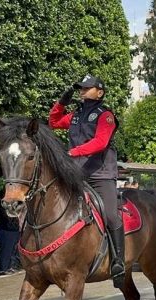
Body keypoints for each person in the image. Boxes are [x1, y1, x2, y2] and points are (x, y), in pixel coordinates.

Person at [49, 74, 124, 288]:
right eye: (80, 88)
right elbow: (53, 122)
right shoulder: (75, 115)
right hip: (76, 173)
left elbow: (101, 142)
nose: (82, 91)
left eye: (86, 88)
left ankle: (118, 263)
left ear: (99, 92)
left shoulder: (105, 115)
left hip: (100, 174)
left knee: (110, 215)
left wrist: (73, 152)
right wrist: (62, 102)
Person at [0, 193, 20, 275]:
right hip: (6, 229)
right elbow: (6, 217)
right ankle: (3, 268)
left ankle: (9, 267)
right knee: (6, 249)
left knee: (12, 250)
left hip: (14, 229)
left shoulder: (14, 205)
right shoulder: (2, 204)